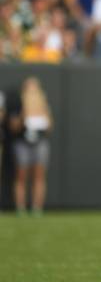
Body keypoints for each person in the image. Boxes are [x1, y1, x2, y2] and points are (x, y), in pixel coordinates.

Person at [9, 77, 52, 216]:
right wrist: (24, 113)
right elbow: (14, 127)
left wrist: (42, 111)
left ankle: (36, 208)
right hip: (22, 143)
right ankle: (20, 208)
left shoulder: (43, 104)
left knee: (39, 176)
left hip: (39, 142)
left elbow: (50, 126)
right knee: (21, 175)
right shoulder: (17, 104)